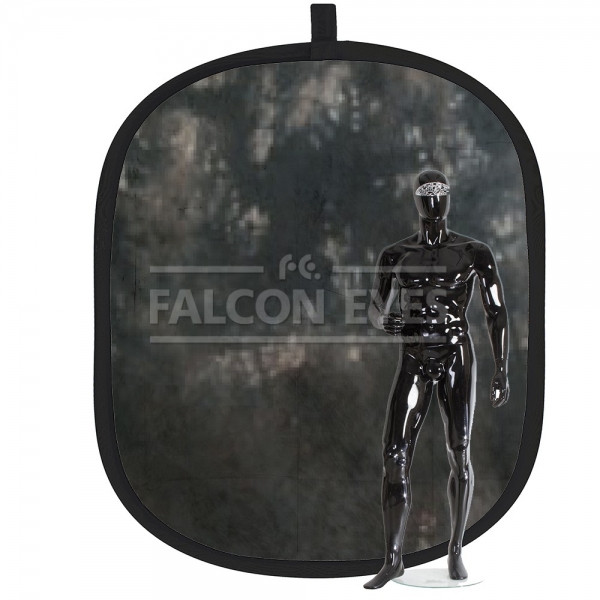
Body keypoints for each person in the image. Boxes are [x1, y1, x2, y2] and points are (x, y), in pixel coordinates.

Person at [363, 170, 509, 589]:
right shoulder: (396, 254)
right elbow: (374, 307)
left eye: (439, 192)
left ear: (448, 199)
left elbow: (496, 311)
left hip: (455, 354)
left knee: (459, 452)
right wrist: (384, 320)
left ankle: (456, 550)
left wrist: (501, 368)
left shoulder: (473, 252)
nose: (433, 200)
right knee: (394, 454)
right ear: (416, 199)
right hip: (413, 355)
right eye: (426, 193)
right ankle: (393, 558)